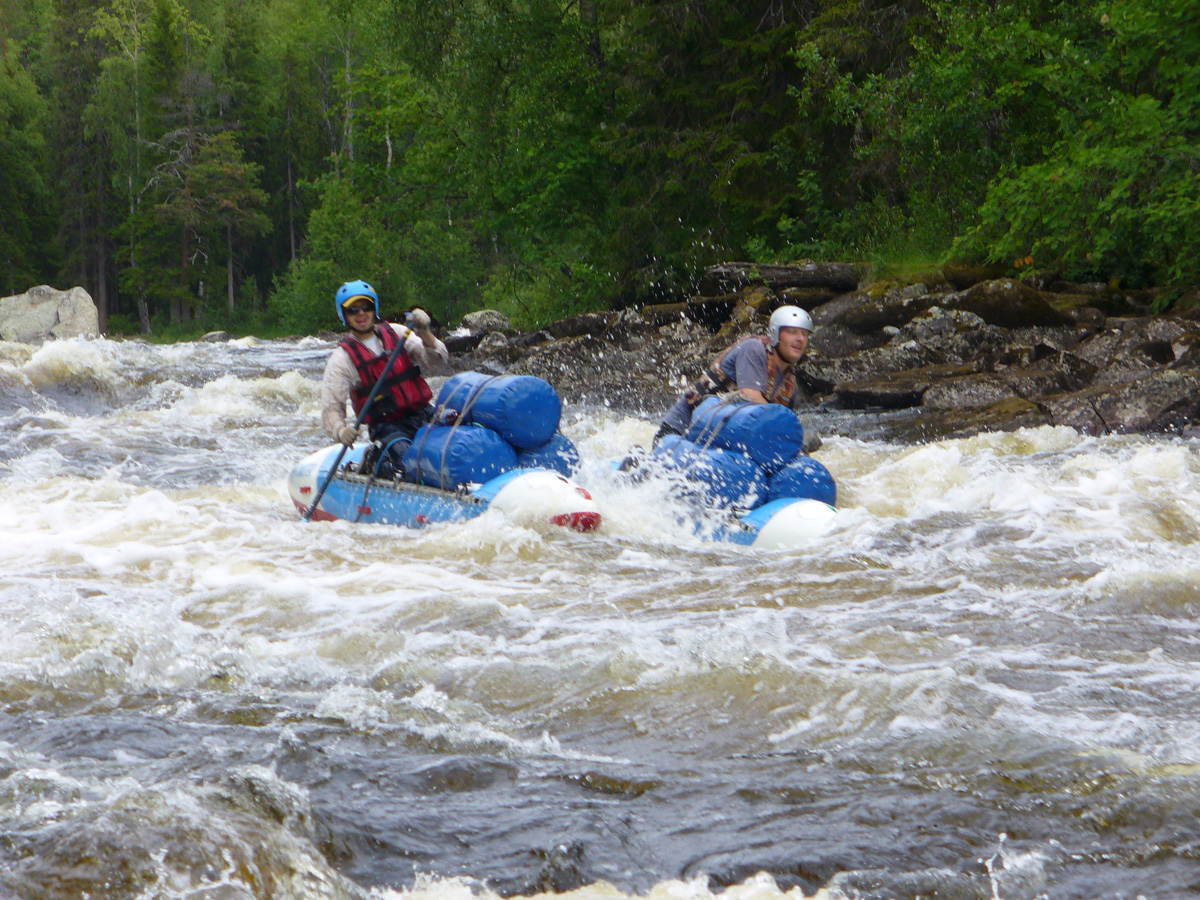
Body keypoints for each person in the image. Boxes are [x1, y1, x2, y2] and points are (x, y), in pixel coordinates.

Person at [320, 279, 449, 478]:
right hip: (388, 427)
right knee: (408, 464)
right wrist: (340, 430)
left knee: (455, 443)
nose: (361, 313)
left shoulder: (398, 333)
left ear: (374, 309)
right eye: (353, 309)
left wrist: (425, 334)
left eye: (366, 306)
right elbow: (331, 408)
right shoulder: (341, 359)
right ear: (344, 315)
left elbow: (437, 363)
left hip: (422, 413)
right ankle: (375, 462)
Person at [654, 305, 819, 450]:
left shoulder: (790, 384)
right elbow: (750, 397)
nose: (800, 339)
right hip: (680, 430)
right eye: (792, 332)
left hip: (724, 443)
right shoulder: (753, 349)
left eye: (805, 334)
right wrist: (788, 433)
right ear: (776, 333)